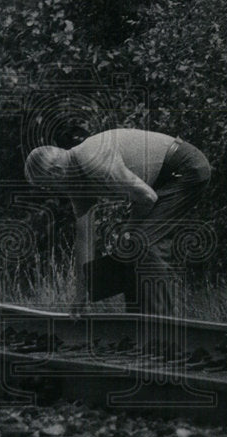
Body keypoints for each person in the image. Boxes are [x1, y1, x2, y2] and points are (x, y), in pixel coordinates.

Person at [24, 128, 211, 316]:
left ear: (57, 172)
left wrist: (128, 230)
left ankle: (160, 328)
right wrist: (81, 294)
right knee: (130, 247)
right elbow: (85, 238)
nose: (52, 191)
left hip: (186, 170)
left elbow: (147, 197)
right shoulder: (76, 181)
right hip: (163, 179)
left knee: (142, 244)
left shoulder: (92, 160)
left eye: (48, 185)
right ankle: (137, 322)